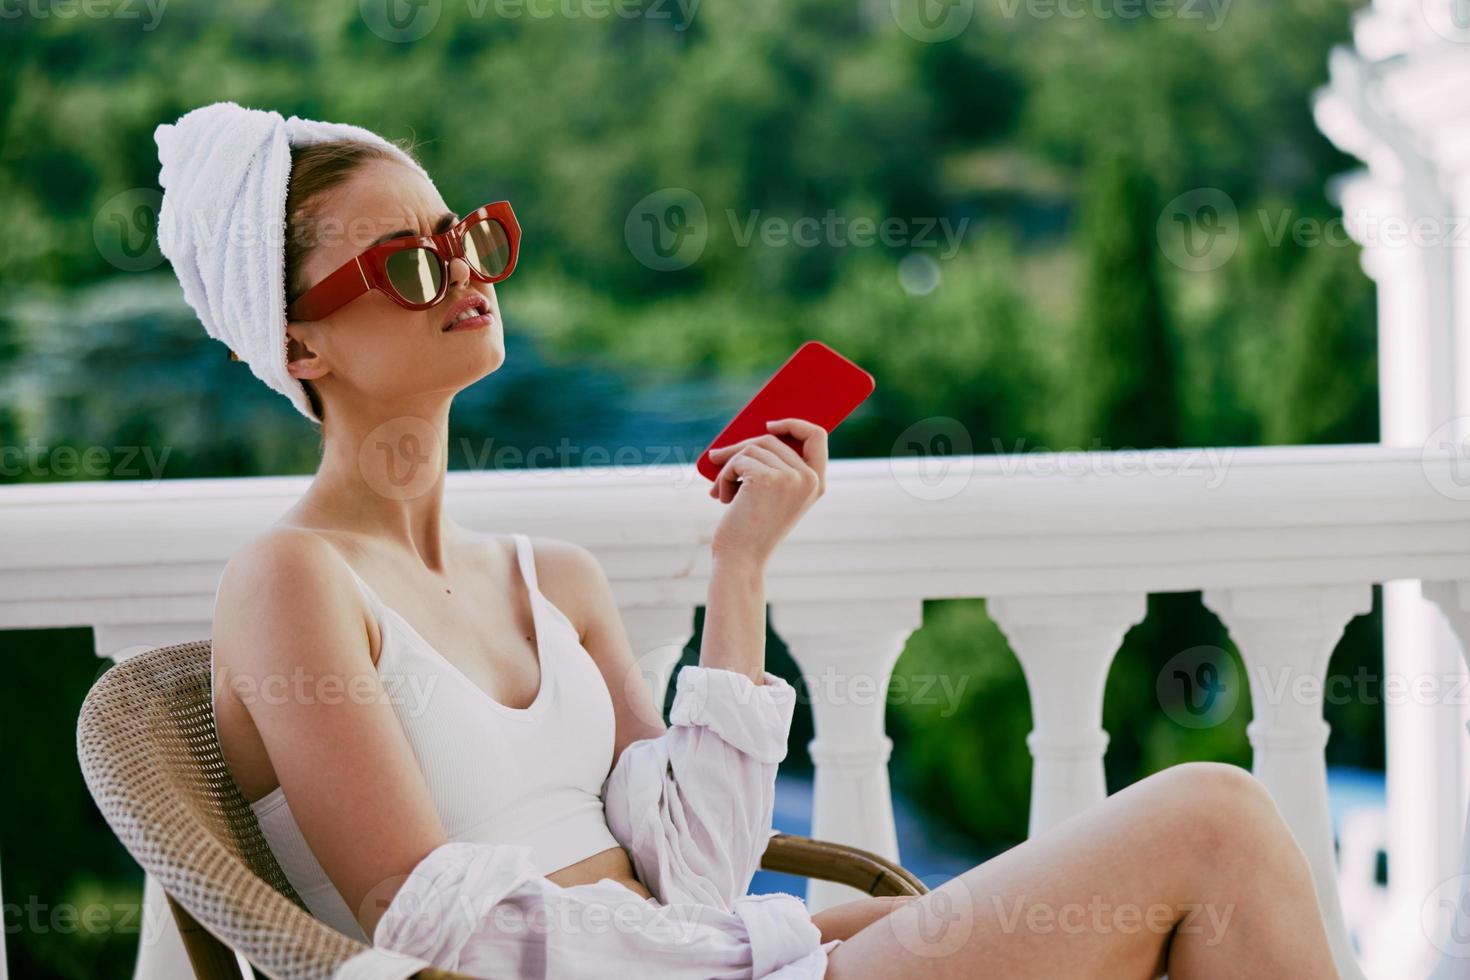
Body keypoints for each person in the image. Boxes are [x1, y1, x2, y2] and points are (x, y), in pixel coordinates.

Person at [154, 102, 1341, 979]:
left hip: (715, 952)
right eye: (409, 262)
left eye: (462, 235)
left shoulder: (550, 580)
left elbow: (701, 868)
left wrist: (741, 567)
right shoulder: (291, 579)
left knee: (1186, 893)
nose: (462, 271)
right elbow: (430, 926)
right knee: (1211, 821)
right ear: (299, 345)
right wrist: (758, 945)